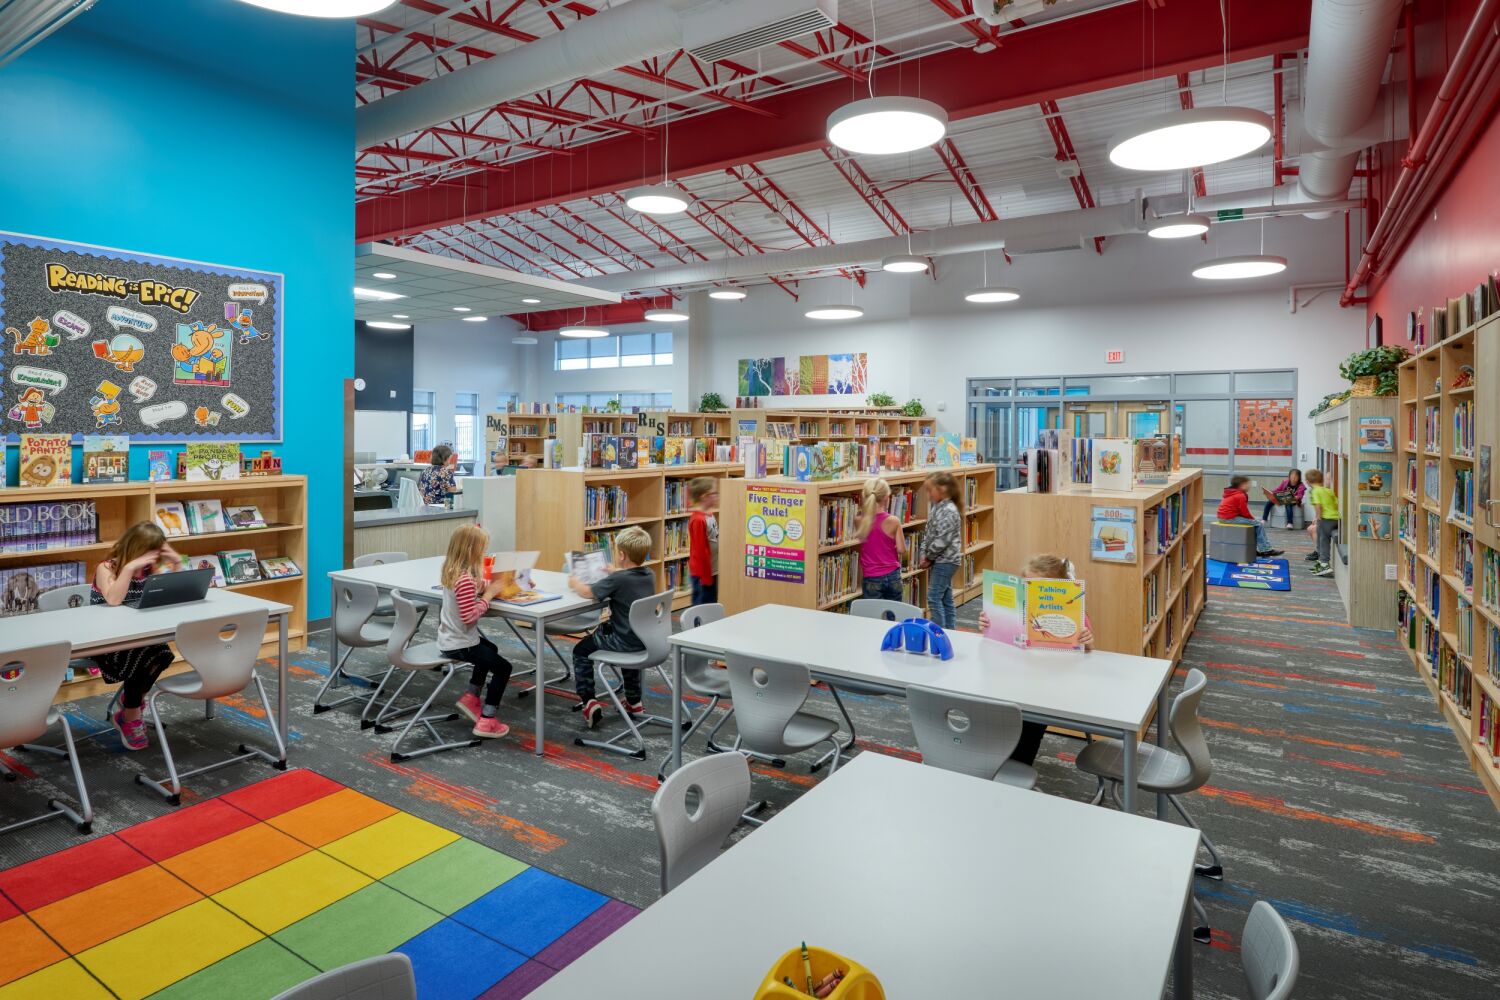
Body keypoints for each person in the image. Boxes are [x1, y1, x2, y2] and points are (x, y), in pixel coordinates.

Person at [978, 554, 1095, 767]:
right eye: (1027, 586)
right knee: (992, 708)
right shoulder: (1019, 610)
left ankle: (1018, 766)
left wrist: (1087, 640)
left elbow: (1088, 651)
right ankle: (993, 758)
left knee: (1030, 721)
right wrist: (987, 624)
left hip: (1049, 686)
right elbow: (998, 639)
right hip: (1015, 679)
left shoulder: (1075, 613)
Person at [91, 522, 183, 750]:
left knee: (162, 653)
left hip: (137, 636)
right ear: (136, 549)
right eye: (150, 552)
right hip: (106, 640)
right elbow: (113, 600)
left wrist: (177, 562)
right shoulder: (107, 568)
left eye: (157, 552)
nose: (154, 559)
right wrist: (130, 568)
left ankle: (131, 703)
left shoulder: (150, 570)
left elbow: (176, 591)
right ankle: (130, 715)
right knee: (145, 655)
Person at [567, 525, 656, 729]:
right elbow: (628, 578)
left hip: (622, 640)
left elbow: (588, 592)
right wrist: (614, 571)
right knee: (627, 652)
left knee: (581, 650)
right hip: (644, 639)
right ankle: (634, 702)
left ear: (622, 555)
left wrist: (574, 583)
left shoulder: (618, 579)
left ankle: (588, 701)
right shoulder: (648, 574)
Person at [440, 524, 514, 739]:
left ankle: (471, 696)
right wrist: (488, 596)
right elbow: (469, 616)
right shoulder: (464, 580)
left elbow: (473, 587)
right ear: (472, 550)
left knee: (490, 648)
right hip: (460, 644)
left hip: (452, 638)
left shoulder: (453, 571)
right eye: (483, 549)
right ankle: (488, 719)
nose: (484, 554)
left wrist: (489, 586)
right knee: (503, 668)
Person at [921, 472, 964, 629]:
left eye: (929, 490)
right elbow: (929, 532)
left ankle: (938, 632)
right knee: (946, 599)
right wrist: (923, 552)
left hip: (946, 561)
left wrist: (928, 557)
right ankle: (950, 631)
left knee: (933, 598)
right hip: (940, 560)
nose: (928, 494)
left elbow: (941, 540)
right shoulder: (938, 508)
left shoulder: (949, 511)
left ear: (942, 489)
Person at [857, 476, 905, 601]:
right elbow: (901, 549)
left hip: (871, 578)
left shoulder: (859, 520)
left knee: (873, 617)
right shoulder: (893, 521)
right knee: (893, 616)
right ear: (886, 498)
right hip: (893, 576)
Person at [1216, 475, 1283, 559]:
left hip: (1223, 517)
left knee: (1254, 524)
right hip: (1230, 518)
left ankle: (1252, 549)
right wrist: (1253, 519)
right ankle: (1266, 549)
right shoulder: (1240, 495)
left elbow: (1241, 512)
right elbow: (1244, 512)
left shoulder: (1232, 493)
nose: (1250, 486)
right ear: (1242, 485)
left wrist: (1251, 520)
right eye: (1248, 484)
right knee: (1258, 524)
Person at [686, 477, 719, 606]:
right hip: (703, 575)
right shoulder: (698, 520)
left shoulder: (709, 515)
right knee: (701, 607)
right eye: (714, 493)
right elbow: (700, 551)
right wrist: (706, 578)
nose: (717, 496)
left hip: (712, 571)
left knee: (711, 604)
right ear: (705, 496)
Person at [1305, 468, 1339, 578]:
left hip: (1325, 519)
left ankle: (1324, 563)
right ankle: (1320, 563)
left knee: (1322, 540)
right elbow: (1336, 503)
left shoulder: (1315, 491)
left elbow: (1318, 505)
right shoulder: (1328, 490)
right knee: (1322, 539)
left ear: (1308, 482)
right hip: (1335, 519)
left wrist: (1318, 517)